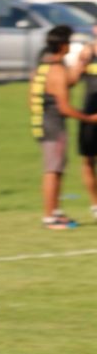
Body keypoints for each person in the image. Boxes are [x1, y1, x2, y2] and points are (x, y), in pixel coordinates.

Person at [29, 25, 97, 229]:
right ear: (62, 45)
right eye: (68, 42)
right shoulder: (56, 70)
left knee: (57, 168)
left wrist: (79, 65)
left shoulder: (46, 65)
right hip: (53, 126)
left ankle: (56, 212)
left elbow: (66, 83)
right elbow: (65, 107)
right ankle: (50, 218)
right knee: (53, 170)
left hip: (43, 123)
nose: (70, 46)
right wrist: (89, 119)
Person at [76, 24, 97, 220]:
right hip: (90, 115)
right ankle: (95, 205)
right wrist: (80, 63)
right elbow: (72, 79)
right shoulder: (87, 52)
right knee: (88, 159)